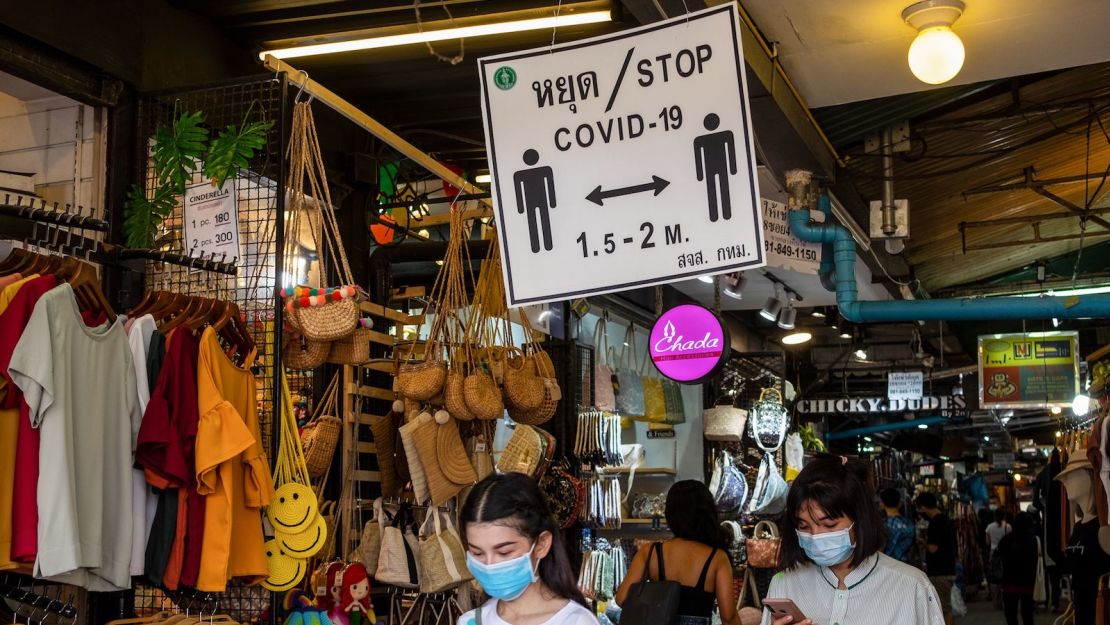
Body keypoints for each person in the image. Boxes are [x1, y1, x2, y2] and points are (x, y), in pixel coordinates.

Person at [764, 455, 944, 625]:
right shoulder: (784, 584)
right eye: (803, 526)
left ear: (859, 519)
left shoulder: (913, 587)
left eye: (829, 525)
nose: (815, 536)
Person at [458, 473, 595, 625]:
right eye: (477, 553)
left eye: (504, 552)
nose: (489, 565)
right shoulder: (471, 621)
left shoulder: (576, 621)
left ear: (541, 544)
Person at [616, 481, 738, 625]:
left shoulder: (651, 552)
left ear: (671, 514)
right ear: (707, 514)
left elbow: (622, 598)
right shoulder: (717, 558)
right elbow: (728, 616)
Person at [914, 492, 958, 625]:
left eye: (918, 508)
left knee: (943, 609)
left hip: (940, 572)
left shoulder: (935, 522)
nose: (918, 511)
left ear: (923, 507)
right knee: (944, 608)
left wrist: (922, 542)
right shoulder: (945, 519)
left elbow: (933, 548)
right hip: (947, 569)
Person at [996, 512, 1039, 625]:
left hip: (1009, 583)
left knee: (1010, 615)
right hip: (1028, 584)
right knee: (1028, 615)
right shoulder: (1033, 540)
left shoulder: (1007, 539)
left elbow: (998, 555)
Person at [879, 488, 915, 563]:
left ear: (881, 504)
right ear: (899, 504)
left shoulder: (881, 525)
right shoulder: (909, 524)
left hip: (886, 566)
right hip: (905, 566)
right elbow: (912, 548)